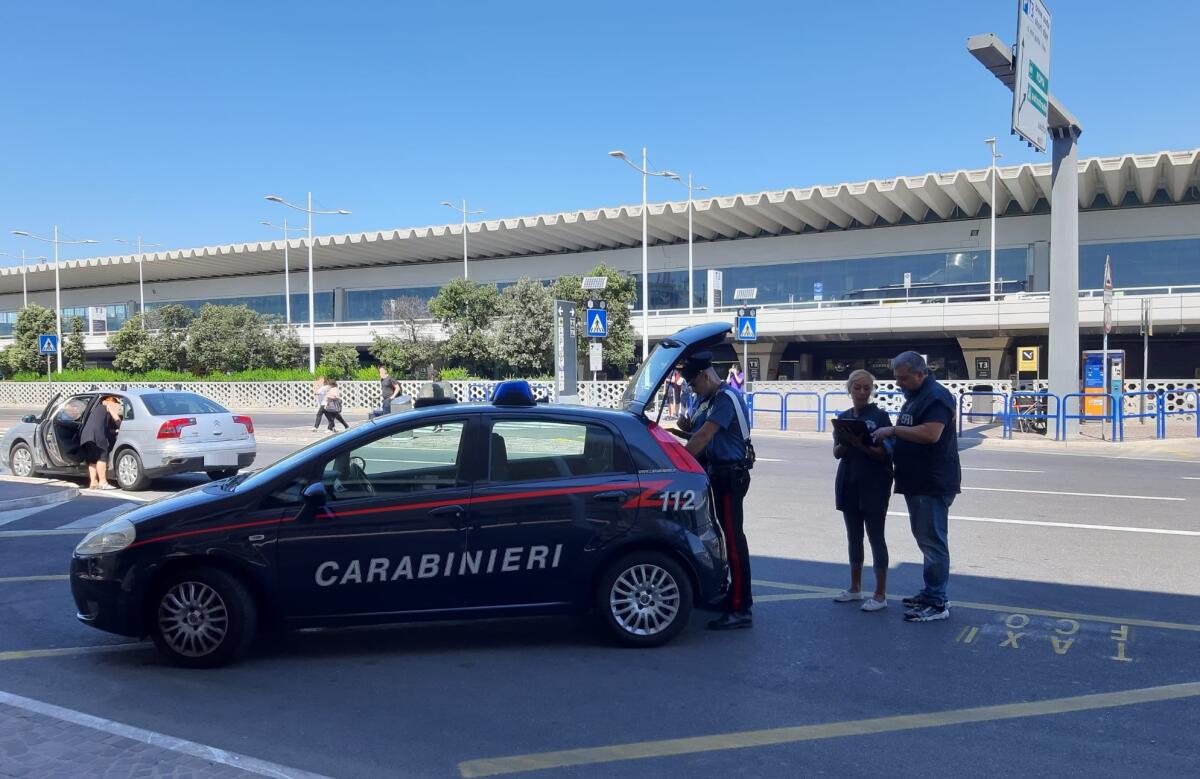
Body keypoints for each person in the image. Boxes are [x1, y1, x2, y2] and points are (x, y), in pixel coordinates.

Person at [871, 351, 961, 623]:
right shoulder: (916, 396)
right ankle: (930, 592)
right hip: (917, 481)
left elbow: (931, 433)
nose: (899, 383)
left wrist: (893, 432)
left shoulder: (936, 397)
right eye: (897, 378)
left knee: (933, 543)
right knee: (926, 540)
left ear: (920, 374)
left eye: (903, 378)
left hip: (931, 482)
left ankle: (937, 602)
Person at [677, 352, 754, 630]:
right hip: (716, 474)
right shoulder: (708, 398)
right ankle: (732, 596)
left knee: (734, 542)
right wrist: (685, 429)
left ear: (706, 375)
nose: (693, 390)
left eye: (694, 384)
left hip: (729, 475)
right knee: (725, 537)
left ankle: (741, 607)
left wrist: (678, 465)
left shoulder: (725, 398)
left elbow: (705, 436)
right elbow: (697, 431)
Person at [831, 369, 893, 612]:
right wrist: (847, 442)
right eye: (857, 387)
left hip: (874, 484)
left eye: (867, 388)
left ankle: (880, 593)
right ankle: (855, 587)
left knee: (876, 536)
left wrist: (861, 444)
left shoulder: (880, 417)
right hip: (849, 481)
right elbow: (836, 453)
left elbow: (885, 453)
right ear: (849, 389)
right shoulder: (843, 417)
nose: (862, 392)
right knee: (853, 536)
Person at [80, 395, 122, 490]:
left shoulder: (96, 409)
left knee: (92, 459)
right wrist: (120, 426)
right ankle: (103, 482)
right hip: (97, 436)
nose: (118, 407)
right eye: (116, 404)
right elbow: (118, 421)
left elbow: (104, 426)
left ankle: (93, 483)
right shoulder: (107, 407)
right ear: (111, 402)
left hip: (86, 436)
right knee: (102, 458)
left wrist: (113, 431)